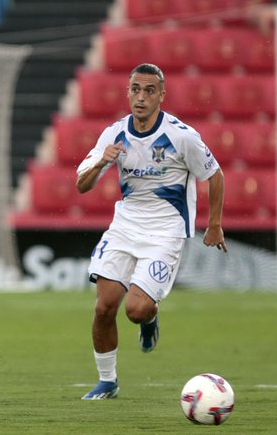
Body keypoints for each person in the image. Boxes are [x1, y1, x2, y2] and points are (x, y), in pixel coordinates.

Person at [76, 63, 228, 400]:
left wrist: (214, 224)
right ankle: (108, 381)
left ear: (161, 95)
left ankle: (150, 318)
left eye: (148, 91)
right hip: (125, 226)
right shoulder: (114, 134)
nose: (140, 97)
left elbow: (215, 175)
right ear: (127, 92)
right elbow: (81, 184)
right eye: (135, 90)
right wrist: (102, 161)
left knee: (136, 309)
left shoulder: (181, 136)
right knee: (104, 307)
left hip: (165, 232)